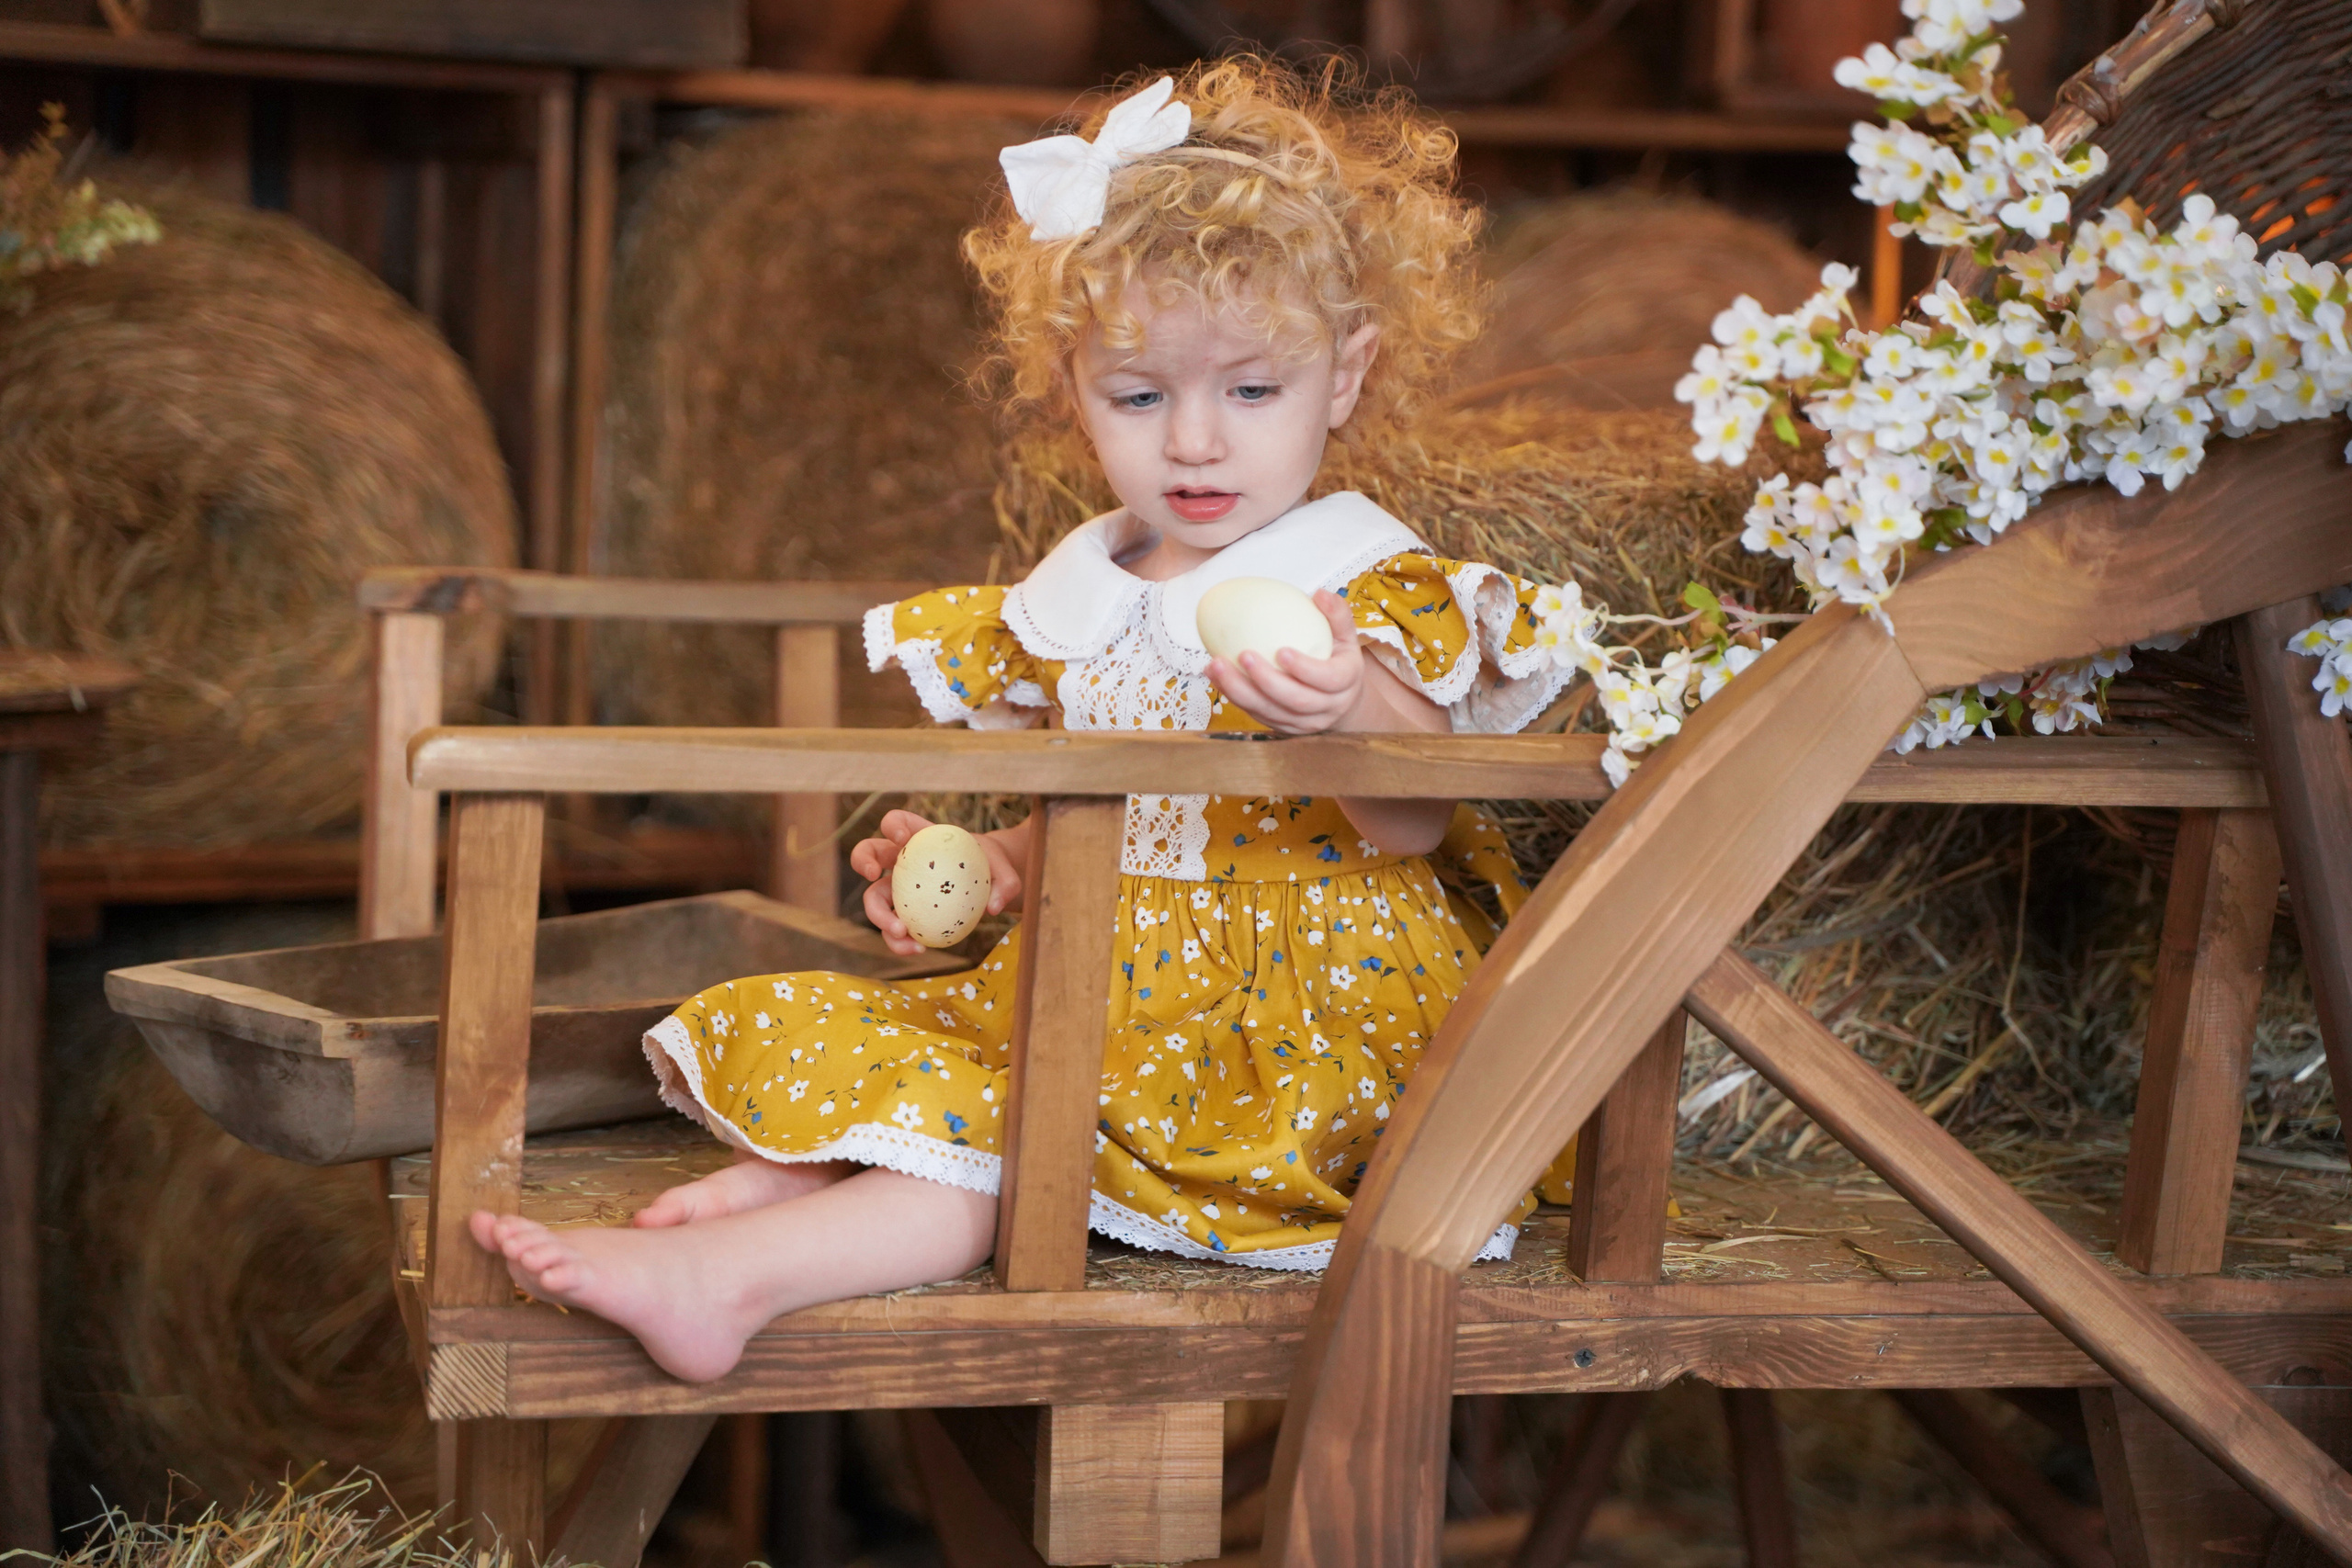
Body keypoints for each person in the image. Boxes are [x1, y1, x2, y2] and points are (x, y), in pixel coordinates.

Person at [469, 58, 1571, 1383]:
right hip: (1097, 987)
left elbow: (1410, 817)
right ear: (1072, 389)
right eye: (1142, 396)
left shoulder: (1362, 585)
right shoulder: (1077, 601)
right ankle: (799, 1197)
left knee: (1023, 1130)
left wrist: (1345, 706)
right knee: (886, 1034)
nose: (1198, 444)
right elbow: (1107, 827)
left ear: (1346, 377)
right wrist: (991, 869)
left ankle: (732, 1279)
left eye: (1253, 392)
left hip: (1294, 1024)